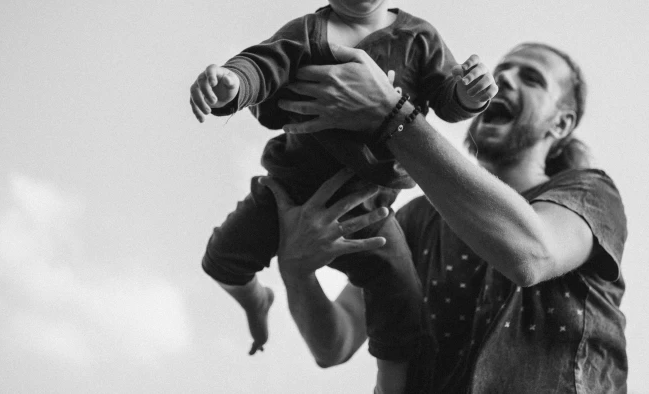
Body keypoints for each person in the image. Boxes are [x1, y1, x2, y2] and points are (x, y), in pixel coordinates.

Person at [188, 0, 494, 392]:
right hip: (286, 193)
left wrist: (469, 92)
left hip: (369, 211)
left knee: (402, 303)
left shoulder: (418, 39)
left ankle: (390, 386)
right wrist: (231, 85)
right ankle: (254, 301)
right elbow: (261, 67)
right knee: (221, 259)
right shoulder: (307, 33)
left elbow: (445, 99)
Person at [266, 42, 628, 393]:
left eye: (532, 78)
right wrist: (297, 272)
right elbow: (334, 342)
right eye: (501, 71)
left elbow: (532, 254)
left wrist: (392, 117)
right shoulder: (415, 220)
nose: (506, 80)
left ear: (561, 125)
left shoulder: (589, 193)